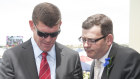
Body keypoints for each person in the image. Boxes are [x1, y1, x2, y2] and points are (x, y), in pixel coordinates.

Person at [0, 2, 83, 79]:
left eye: (54, 34)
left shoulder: (72, 58)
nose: (48, 40)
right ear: (32, 25)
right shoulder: (12, 57)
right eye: (43, 34)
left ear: (60, 25)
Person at [79, 14, 140, 79]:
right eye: (83, 39)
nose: (85, 45)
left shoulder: (129, 58)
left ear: (109, 39)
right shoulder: (96, 59)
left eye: (92, 40)